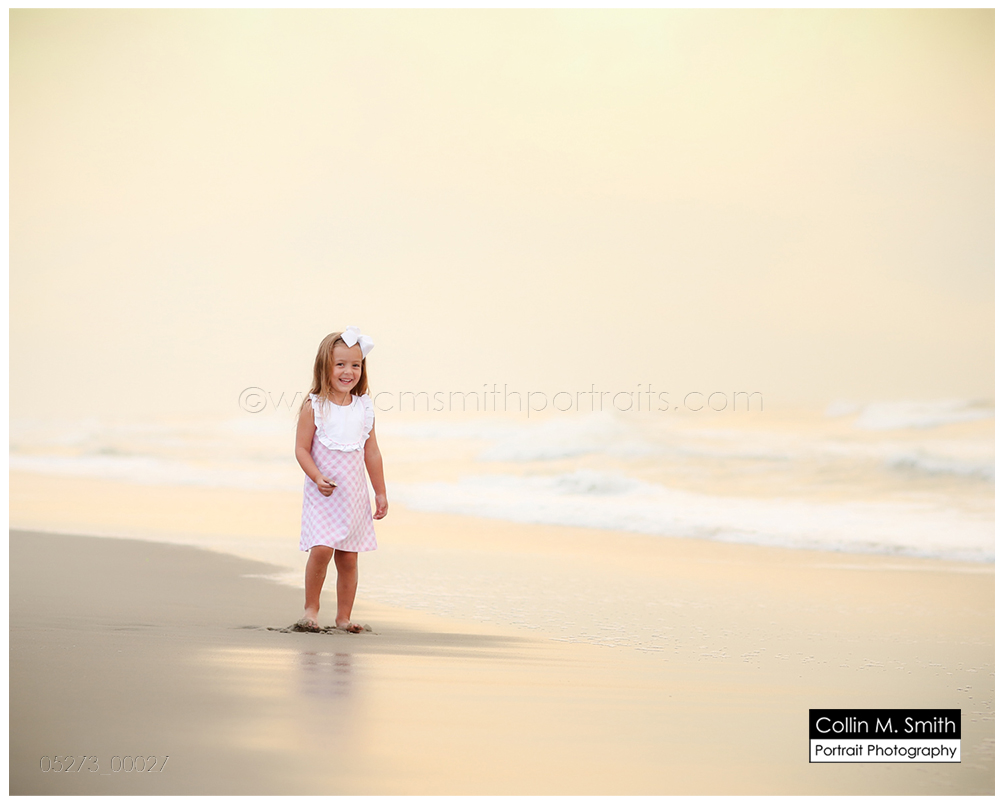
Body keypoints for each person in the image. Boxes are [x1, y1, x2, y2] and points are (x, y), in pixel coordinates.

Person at [295, 326, 387, 633]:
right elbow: (301, 449)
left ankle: (343, 616)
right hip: (323, 495)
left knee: (348, 558)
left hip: (354, 497)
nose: (349, 371)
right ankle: (311, 609)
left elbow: (372, 453)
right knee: (321, 549)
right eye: (340, 364)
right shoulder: (315, 406)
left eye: (356, 365)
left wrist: (380, 493)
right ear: (325, 367)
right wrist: (316, 475)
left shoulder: (364, 408)